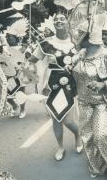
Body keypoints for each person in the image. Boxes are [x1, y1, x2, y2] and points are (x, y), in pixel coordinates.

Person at [72, 13, 107, 180]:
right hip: (84, 102)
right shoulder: (79, 56)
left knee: (101, 135)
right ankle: (96, 166)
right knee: (87, 137)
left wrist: (103, 85)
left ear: (89, 37)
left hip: (103, 102)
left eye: (80, 34)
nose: (77, 37)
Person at [28, 13, 82, 161]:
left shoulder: (76, 43)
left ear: (67, 23)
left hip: (69, 84)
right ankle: (60, 147)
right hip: (51, 85)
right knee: (56, 119)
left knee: (69, 120)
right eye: (56, 19)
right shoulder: (46, 44)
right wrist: (30, 71)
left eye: (62, 19)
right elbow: (31, 61)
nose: (58, 21)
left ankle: (78, 135)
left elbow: (83, 62)